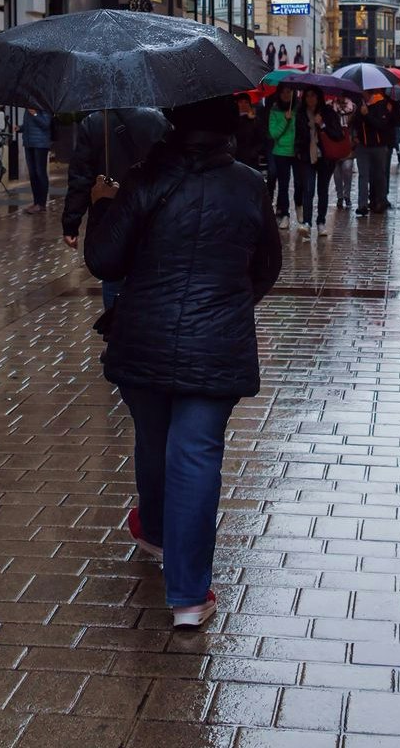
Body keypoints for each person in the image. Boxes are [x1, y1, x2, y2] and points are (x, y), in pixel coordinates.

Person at [85, 96, 280, 629]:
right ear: (227, 129)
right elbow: (267, 267)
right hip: (215, 345)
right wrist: (224, 304)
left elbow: (104, 260)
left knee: (153, 438)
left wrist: (103, 204)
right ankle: (190, 596)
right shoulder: (248, 184)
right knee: (195, 455)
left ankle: (153, 532)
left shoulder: (144, 178)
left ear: (174, 124)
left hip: (144, 338)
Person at [63, 108, 171, 311]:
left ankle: (115, 330)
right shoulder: (158, 120)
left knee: (114, 277)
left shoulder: (95, 122)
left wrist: (71, 223)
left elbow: (81, 178)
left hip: (112, 213)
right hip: (152, 212)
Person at [295, 87, 344, 237]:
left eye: (313, 96)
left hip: (326, 158)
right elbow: (298, 135)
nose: (310, 99)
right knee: (308, 189)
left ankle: (321, 222)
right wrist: (298, 149)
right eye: (307, 96)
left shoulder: (328, 112)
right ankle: (307, 223)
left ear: (319, 97)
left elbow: (337, 134)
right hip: (307, 157)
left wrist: (322, 125)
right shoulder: (301, 113)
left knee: (322, 190)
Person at [353, 93, 400, 217]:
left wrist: (367, 115)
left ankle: (380, 201)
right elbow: (355, 123)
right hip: (363, 146)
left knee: (379, 174)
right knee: (363, 175)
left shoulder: (381, 104)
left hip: (379, 146)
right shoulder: (359, 104)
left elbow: (381, 125)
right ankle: (362, 205)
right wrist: (355, 135)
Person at [266, 84, 298, 227]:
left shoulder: (299, 109)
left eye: (289, 91)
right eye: (283, 92)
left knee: (299, 184)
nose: (286, 95)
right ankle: (285, 213)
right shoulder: (275, 110)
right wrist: (285, 120)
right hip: (281, 152)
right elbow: (274, 134)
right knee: (284, 185)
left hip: (297, 151)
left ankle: (300, 209)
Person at [21, 107, 55, 213]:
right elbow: (29, 125)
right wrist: (20, 128)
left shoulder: (43, 105)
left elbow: (45, 124)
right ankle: (36, 202)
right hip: (29, 142)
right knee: (33, 174)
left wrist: (35, 114)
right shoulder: (28, 107)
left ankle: (41, 203)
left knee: (40, 173)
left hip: (40, 144)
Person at [233, 94, 271, 173]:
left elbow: (261, 139)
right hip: (235, 158)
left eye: (246, 102)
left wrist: (254, 152)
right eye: (240, 102)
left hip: (250, 160)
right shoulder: (232, 120)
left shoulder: (255, 121)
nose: (243, 105)